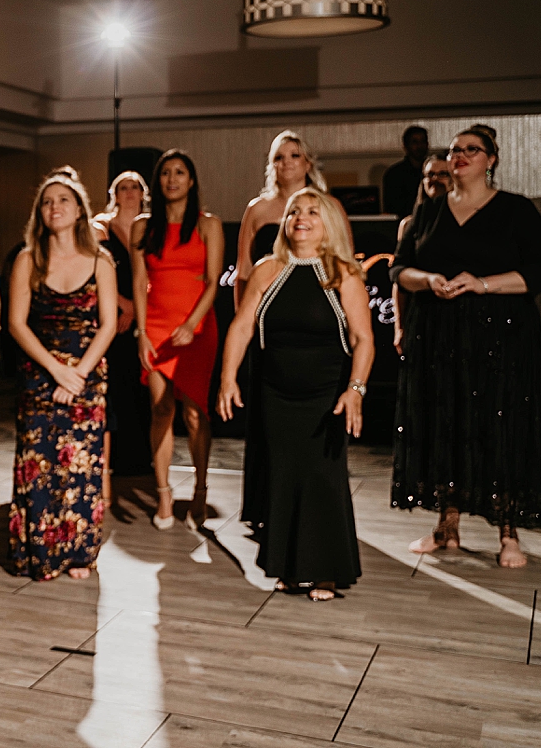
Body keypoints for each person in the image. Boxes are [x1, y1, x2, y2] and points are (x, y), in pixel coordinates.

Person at [392, 124, 541, 567]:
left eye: (471, 149)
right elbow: (401, 270)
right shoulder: (429, 212)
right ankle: (446, 528)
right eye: (454, 150)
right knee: (446, 425)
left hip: (501, 336)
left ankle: (508, 534)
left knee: (499, 427)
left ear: (491, 159)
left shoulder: (515, 210)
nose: (460, 155)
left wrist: (482, 284)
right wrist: (429, 280)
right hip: (440, 336)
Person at [219, 189, 374, 601]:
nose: (300, 218)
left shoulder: (343, 273)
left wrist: (355, 390)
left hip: (326, 397)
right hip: (275, 395)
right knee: (282, 479)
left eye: (311, 212)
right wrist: (228, 377)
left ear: (329, 224)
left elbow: (363, 339)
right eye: (293, 212)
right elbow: (241, 328)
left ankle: (325, 572)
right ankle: (288, 567)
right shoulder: (269, 269)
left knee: (322, 479)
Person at [6, 167, 116, 581]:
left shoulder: (100, 261)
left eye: (63, 200)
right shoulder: (27, 259)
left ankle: (78, 553)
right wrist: (55, 371)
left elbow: (107, 325)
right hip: (40, 372)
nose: (55, 207)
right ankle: (42, 552)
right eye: (47, 202)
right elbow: (17, 323)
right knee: (41, 463)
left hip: (87, 375)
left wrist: (78, 375)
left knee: (81, 466)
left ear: (80, 210)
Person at [131, 150, 223, 530]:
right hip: (154, 325)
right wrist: (140, 331)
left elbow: (214, 280)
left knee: (194, 413)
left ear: (191, 181)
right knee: (161, 409)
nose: (172, 179)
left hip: (197, 327)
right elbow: (138, 283)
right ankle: (165, 492)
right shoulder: (142, 227)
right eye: (166, 173)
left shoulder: (208, 224)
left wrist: (192, 324)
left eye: (180, 173)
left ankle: (200, 488)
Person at [236, 131, 348, 307]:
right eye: (279, 157)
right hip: (266, 300)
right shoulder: (256, 209)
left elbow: (345, 259)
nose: (286, 162)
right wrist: (241, 315)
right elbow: (244, 270)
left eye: (294, 155)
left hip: (319, 300)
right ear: (272, 166)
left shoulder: (330, 205)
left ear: (308, 164)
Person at [92, 170, 153, 486]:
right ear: (113, 193)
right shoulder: (100, 226)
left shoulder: (153, 225)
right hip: (112, 314)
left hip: (147, 314)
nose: (129, 192)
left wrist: (139, 310)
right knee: (117, 385)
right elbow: (95, 269)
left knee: (144, 385)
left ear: (143, 192)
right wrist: (123, 306)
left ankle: (143, 457)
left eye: (135, 186)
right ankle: (114, 459)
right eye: (123, 187)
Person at [391, 153, 453, 354]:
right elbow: (399, 277)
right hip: (421, 311)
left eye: (443, 173)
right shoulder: (410, 223)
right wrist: (399, 326)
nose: (435, 179)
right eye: (429, 174)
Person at [382, 125, 429, 216]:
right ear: (406, 146)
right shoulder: (394, 174)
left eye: (423, 141)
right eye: (415, 142)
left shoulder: (433, 172)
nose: (420, 146)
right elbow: (391, 208)